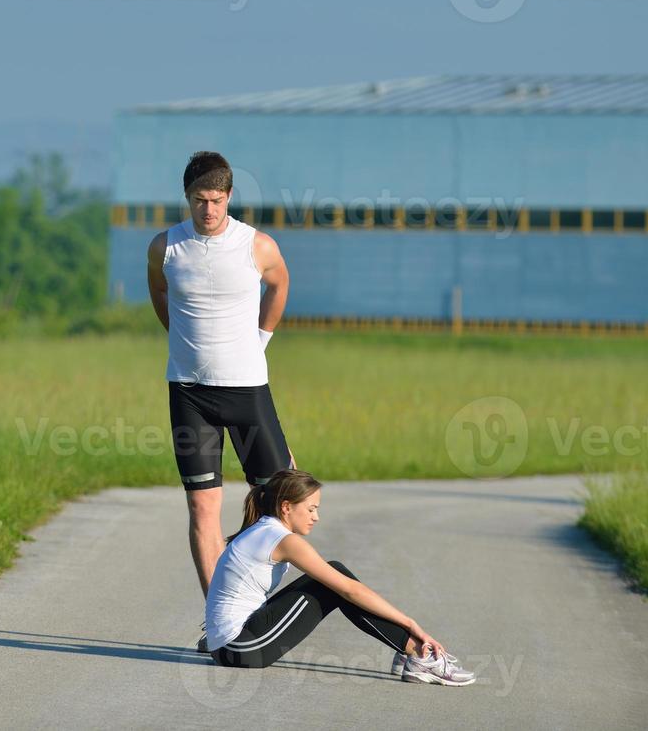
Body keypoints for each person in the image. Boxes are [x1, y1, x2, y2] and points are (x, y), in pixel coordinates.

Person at [146, 151, 295, 608]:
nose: (207, 210)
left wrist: (261, 337)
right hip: (189, 394)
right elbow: (159, 290)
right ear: (186, 198)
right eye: (198, 200)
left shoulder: (257, 245)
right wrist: (181, 337)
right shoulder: (165, 247)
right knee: (202, 507)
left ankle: (257, 596)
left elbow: (280, 284)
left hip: (246, 389)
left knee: (282, 501)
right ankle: (220, 617)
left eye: (215, 200)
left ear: (229, 196)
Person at [203, 468, 477, 685]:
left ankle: (409, 650)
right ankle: (418, 653)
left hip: (231, 644)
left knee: (332, 574)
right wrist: (411, 623)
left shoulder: (264, 529)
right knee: (335, 582)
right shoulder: (282, 540)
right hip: (241, 648)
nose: (316, 517)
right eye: (310, 509)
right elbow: (349, 590)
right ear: (286, 507)